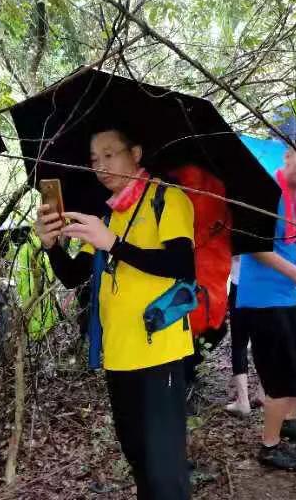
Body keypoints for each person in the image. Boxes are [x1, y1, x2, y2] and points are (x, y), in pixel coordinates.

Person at [35, 127, 194, 500]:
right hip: (119, 355)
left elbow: (181, 263)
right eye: (94, 160)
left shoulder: (166, 198)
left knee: (164, 464)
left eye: (110, 154)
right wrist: (51, 246)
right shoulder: (108, 215)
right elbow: (74, 276)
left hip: (160, 351)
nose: (101, 166)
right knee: (138, 455)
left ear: (135, 152)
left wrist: (115, 245)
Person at [236, 136, 296, 471]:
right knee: (281, 376)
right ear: (288, 156)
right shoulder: (264, 190)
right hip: (263, 300)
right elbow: (252, 245)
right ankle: (270, 445)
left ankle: (288, 420)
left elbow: (280, 238)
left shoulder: (291, 197)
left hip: (288, 295)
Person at [224, 256, 264, 417]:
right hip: (265, 284)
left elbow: (233, 254)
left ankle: (243, 401)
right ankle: (262, 393)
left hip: (241, 283)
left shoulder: (234, 229)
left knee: (239, 342)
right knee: (262, 340)